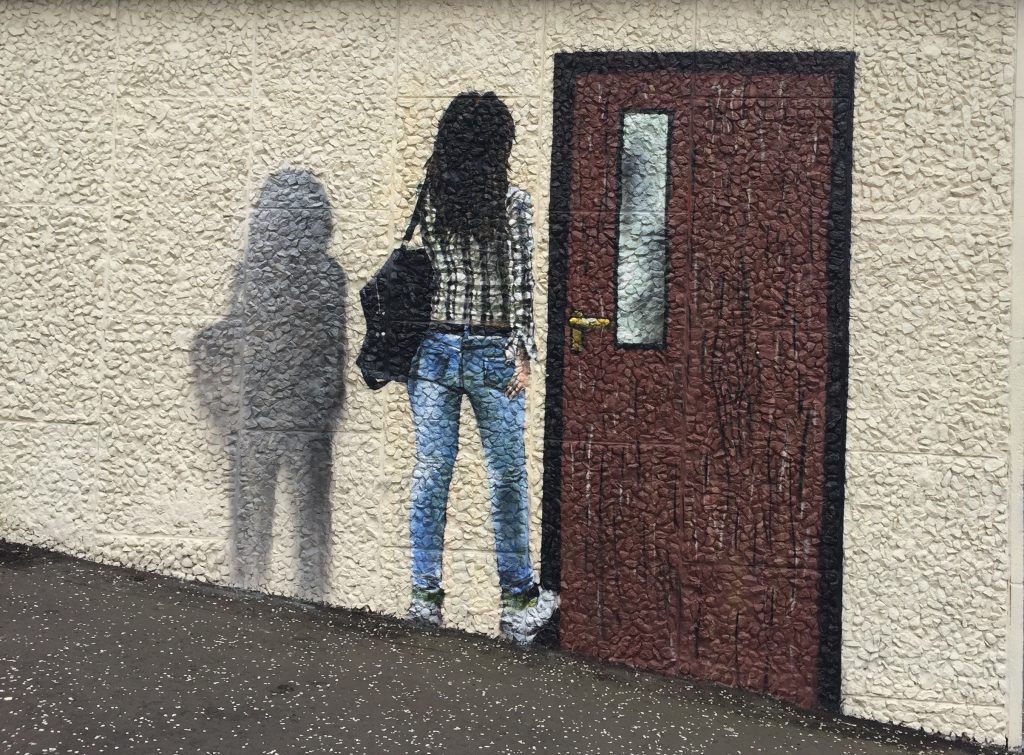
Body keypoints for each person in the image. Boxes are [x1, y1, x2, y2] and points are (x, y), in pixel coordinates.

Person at [404, 92, 557, 644]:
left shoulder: (432, 199)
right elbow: (521, 285)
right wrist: (524, 354)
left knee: (431, 472)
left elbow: (427, 275)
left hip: (433, 350)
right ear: (499, 144)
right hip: (493, 351)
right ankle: (517, 600)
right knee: (507, 476)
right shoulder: (512, 202)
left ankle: (424, 597)